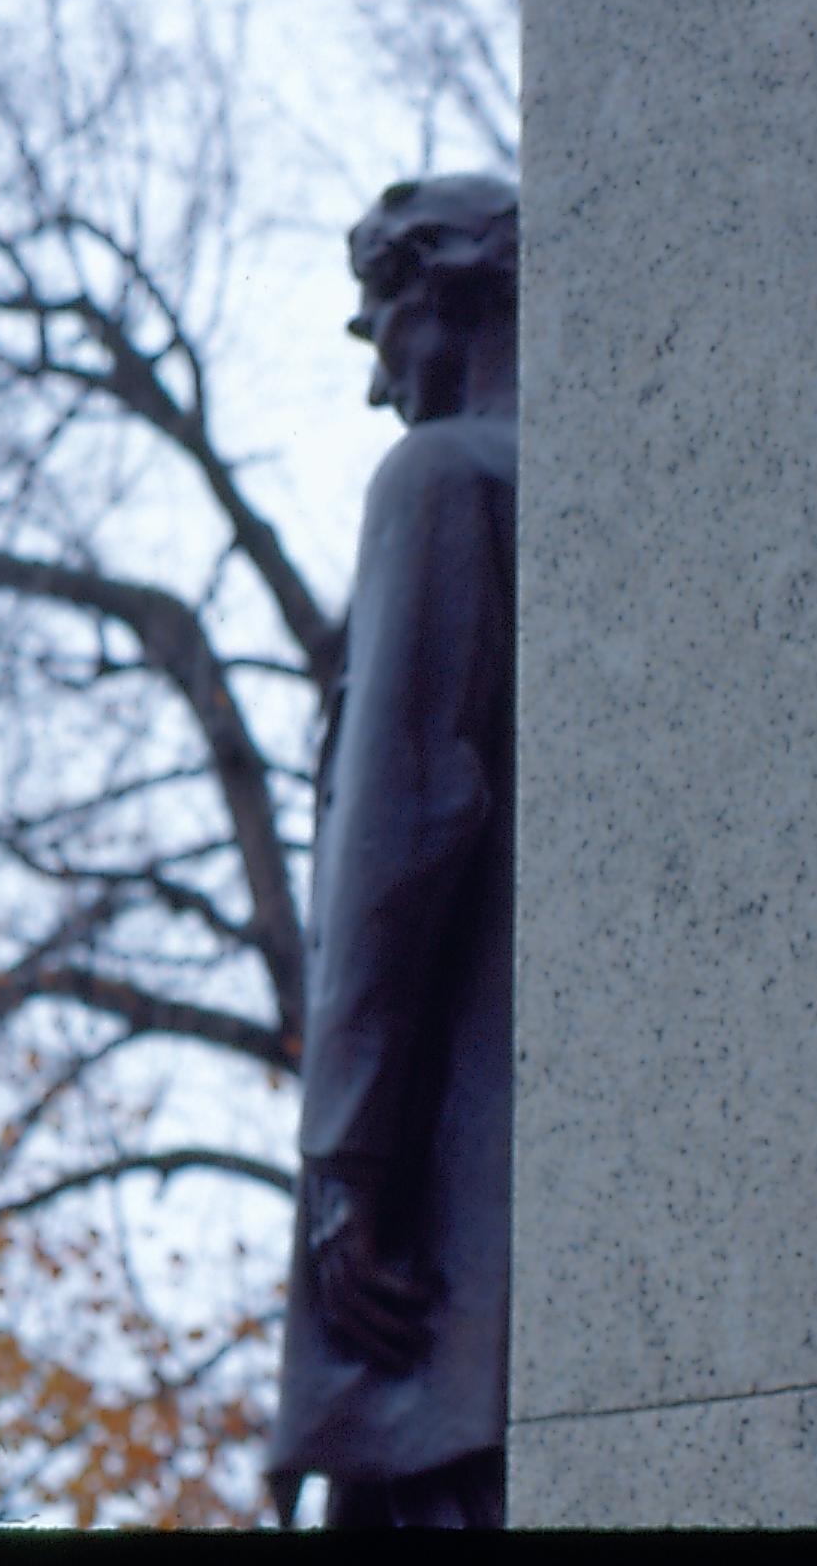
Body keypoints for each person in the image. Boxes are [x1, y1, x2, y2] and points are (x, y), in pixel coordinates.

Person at [265, 174, 519, 1531]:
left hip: (435, 1281)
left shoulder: (444, 478)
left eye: (377, 333)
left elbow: (401, 833)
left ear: (449, 298)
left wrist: (343, 1170)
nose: (376, 391)